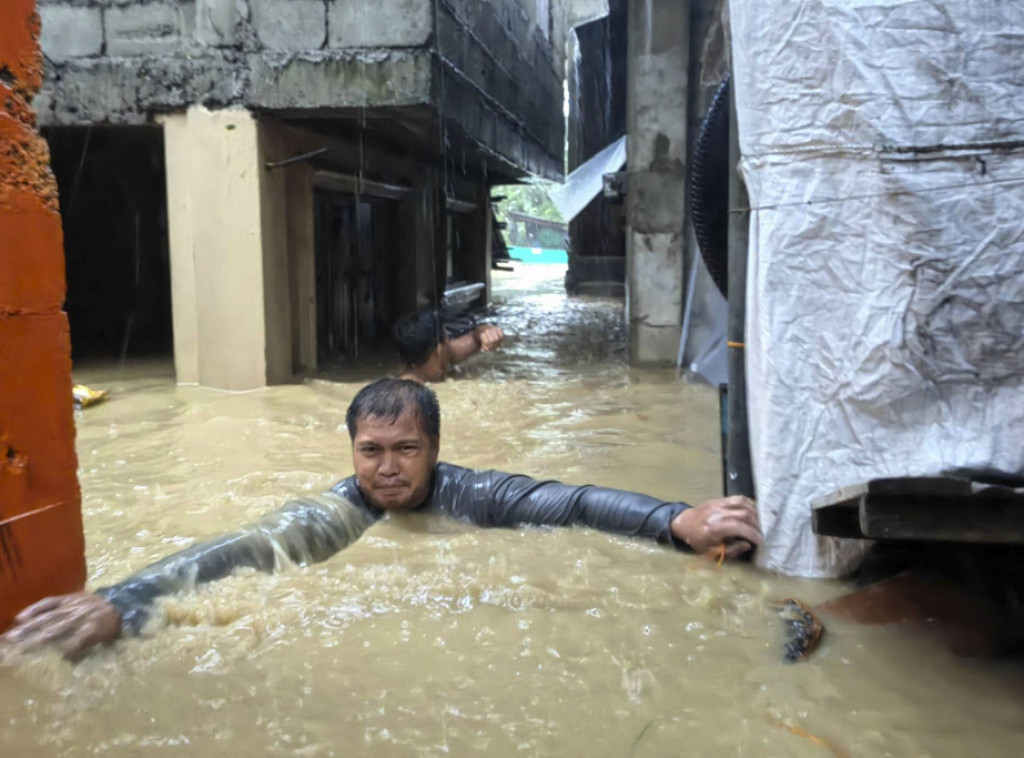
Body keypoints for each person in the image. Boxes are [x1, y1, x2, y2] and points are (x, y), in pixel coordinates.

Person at [0, 378, 761, 660]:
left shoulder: (473, 494)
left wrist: (675, 520)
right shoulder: (345, 509)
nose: (388, 469)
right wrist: (125, 602)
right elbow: (253, 547)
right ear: (352, 450)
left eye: (406, 450)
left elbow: (574, 503)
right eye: (371, 451)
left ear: (435, 449)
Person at [394, 309, 505, 383]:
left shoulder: (424, 362)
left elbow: (475, 338)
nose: (451, 345)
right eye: (448, 340)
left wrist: (486, 332)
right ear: (439, 350)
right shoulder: (418, 393)